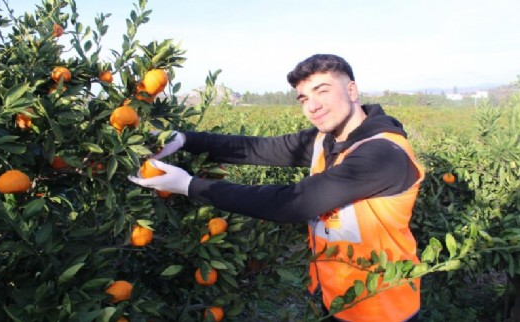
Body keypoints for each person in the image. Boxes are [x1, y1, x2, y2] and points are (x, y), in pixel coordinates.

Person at [128, 54, 424, 322]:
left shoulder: (382, 154)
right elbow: (257, 148)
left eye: (322, 90)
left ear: (351, 90)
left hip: (382, 308)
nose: (313, 105)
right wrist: (184, 140)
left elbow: (293, 203)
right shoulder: (326, 139)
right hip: (335, 299)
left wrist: (188, 185)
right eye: (303, 98)